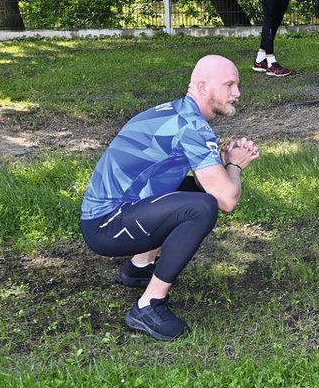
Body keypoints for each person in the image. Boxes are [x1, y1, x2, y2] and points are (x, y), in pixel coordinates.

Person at [79, 55, 260, 341]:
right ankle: (148, 305)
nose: (237, 93)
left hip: (107, 217)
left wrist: (221, 164)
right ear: (202, 87)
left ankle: (138, 268)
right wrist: (235, 165)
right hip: (106, 226)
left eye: (237, 85)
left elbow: (206, 182)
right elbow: (226, 200)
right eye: (229, 85)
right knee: (202, 207)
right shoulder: (193, 127)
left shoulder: (176, 112)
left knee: (196, 192)